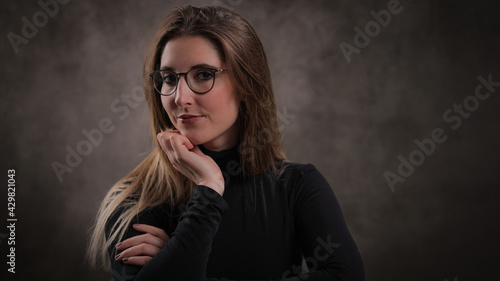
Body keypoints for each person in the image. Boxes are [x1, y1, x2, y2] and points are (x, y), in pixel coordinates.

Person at [87, 4, 365, 281]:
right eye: (169, 78)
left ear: (246, 84)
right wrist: (209, 189)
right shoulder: (135, 200)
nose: (179, 97)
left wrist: (176, 262)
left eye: (203, 75)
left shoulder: (297, 185)